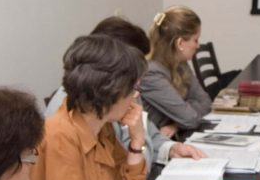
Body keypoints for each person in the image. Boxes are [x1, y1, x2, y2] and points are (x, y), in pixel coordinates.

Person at [31, 35, 148, 180]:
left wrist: (137, 140)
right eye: (132, 88)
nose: (135, 96)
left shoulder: (101, 125)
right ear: (111, 92)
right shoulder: (60, 137)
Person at [44, 17, 206, 165]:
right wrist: (138, 146)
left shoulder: (124, 90)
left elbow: (148, 133)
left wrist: (170, 149)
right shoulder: (79, 109)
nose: (138, 86)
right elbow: (128, 164)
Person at [139, 6, 212, 138]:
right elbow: (190, 119)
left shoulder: (180, 64)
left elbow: (205, 102)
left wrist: (176, 124)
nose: (198, 45)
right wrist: (184, 116)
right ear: (180, 43)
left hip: (175, 137)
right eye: (195, 40)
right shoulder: (151, 74)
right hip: (155, 144)